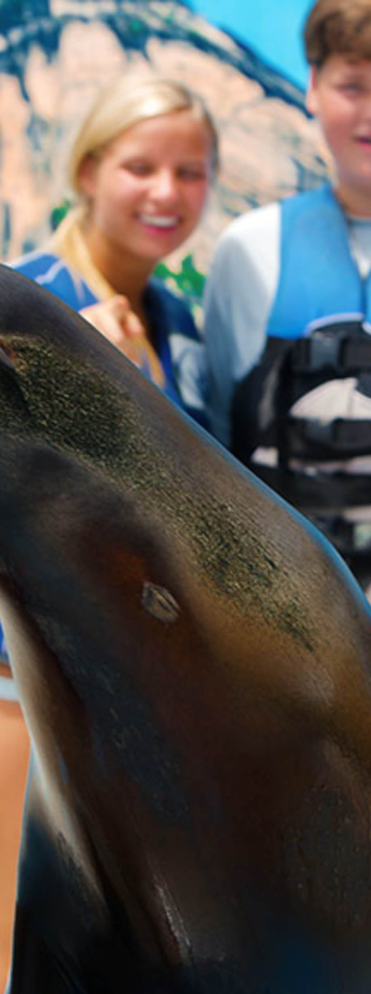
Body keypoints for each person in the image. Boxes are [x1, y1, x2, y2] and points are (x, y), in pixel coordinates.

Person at [0, 75, 217, 994]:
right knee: (18, 983)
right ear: (89, 171)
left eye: (192, 171)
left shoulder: (182, 324)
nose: (166, 192)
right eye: (141, 167)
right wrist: (82, 389)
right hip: (11, 696)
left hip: (134, 718)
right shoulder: (19, 306)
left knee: (122, 990)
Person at [204, 0, 371, 588]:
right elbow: (219, 447)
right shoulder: (250, 249)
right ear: (313, 90)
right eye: (352, 86)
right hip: (289, 607)